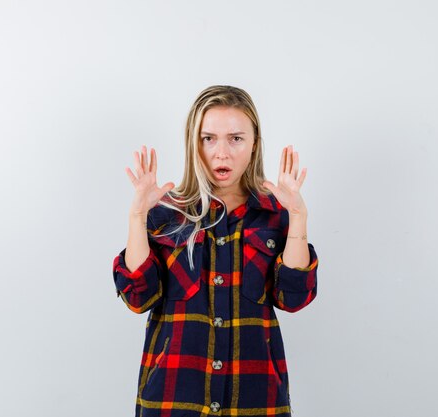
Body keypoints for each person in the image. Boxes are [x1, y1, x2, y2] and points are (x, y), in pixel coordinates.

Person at [112, 85, 319, 417]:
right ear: (194, 144)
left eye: (236, 138)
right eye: (209, 138)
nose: (222, 152)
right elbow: (139, 299)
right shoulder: (165, 213)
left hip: (255, 401)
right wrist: (138, 216)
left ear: (254, 145)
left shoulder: (274, 214)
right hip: (174, 399)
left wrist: (298, 217)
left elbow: (293, 299)